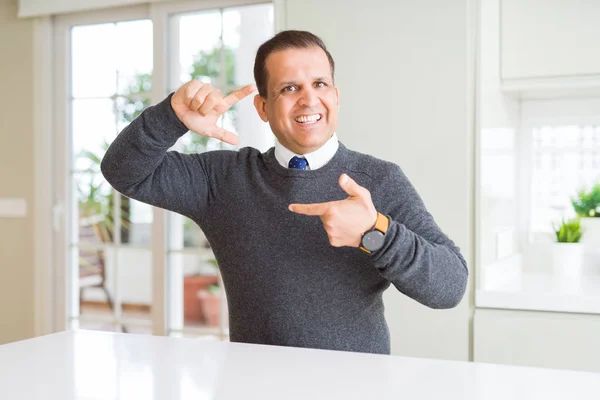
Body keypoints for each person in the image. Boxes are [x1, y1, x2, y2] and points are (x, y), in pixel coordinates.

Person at [101, 30, 468, 355]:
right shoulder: (224, 179)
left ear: (336, 97)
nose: (308, 100)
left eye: (320, 84)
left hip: (357, 391)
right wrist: (170, 117)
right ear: (263, 106)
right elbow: (123, 171)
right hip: (253, 388)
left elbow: (450, 286)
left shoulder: (379, 180)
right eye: (289, 88)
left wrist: (376, 232)